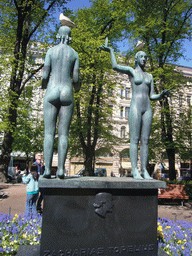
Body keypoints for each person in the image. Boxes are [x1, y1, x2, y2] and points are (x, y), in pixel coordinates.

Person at [101, 38, 170, 179]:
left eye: (146, 57)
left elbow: (151, 95)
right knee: (134, 139)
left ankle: (144, 169)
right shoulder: (131, 72)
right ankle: (134, 169)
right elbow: (115, 66)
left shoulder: (150, 76)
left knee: (145, 141)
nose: (144, 59)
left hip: (147, 108)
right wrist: (111, 51)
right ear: (137, 58)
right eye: (142, 57)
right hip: (135, 107)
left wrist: (161, 95)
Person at [41, 25, 80, 179]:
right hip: (66, 91)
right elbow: (76, 79)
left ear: (58, 36)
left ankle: (47, 170)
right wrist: (78, 86)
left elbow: (45, 75)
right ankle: (61, 170)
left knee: (49, 133)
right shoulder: (74, 54)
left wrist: (43, 85)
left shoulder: (50, 51)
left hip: (52, 90)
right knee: (64, 134)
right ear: (69, 37)